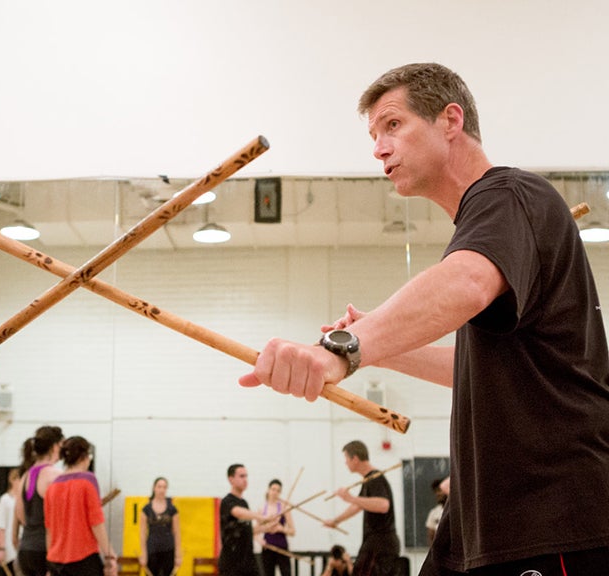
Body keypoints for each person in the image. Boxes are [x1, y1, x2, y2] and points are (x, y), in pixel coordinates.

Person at [239, 61, 609, 575]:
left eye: (393, 125)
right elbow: (474, 366)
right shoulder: (497, 218)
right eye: (373, 135)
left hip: (552, 520)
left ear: (450, 120)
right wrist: (386, 347)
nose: (378, 148)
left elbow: (465, 282)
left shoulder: (509, 194)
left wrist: (344, 349)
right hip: (485, 527)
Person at [322, 441, 399, 576]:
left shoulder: (375, 478)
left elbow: (383, 505)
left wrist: (349, 497)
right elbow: (357, 506)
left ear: (355, 459)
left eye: (346, 458)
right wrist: (336, 521)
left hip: (381, 542)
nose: (345, 463)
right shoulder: (368, 480)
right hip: (375, 542)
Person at [44, 436, 117, 576]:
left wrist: (50, 561)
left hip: (56, 561)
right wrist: (109, 553)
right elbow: (96, 523)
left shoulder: (52, 487)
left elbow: (49, 530)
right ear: (84, 457)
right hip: (83, 559)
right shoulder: (88, 481)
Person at [16, 425, 65, 576]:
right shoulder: (55, 475)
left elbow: (21, 515)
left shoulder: (25, 476)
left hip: (26, 548)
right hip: (46, 550)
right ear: (55, 447)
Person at [218, 464, 270, 576]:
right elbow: (238, 513)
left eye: (246, 476)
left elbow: (246, 529)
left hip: (248, 562)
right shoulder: (227, 501)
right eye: (241, 476)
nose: (245, 480)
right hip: (232, 563)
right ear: (231, 479)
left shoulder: (244, 503)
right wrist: (259, 516)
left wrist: (265, 528)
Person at [139, 477, 182, 576]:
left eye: (164, 487)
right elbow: (142, 533)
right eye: (159, 487)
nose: (162, 490)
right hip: (152, 551)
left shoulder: (172, 510)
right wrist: (143, 554)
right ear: (154, 488)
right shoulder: (146, 510)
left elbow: (177, 533)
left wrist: (178, 555)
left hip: (168, 550)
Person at [258, 479, 295, 576]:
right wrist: (259, 540)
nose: (275, 492)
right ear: (268, 490)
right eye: (273, 489)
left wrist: (281, 529)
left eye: (278, 490)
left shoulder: (284, 508)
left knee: (286, 573)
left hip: (282, 547)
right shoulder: (262, 509)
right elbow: (255, 531)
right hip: (267, 548)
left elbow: (293, 531)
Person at [0, 468, 22, 576]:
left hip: (22, 547)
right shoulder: (5, 500)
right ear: (12, 480)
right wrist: (1, 548)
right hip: (10, 548)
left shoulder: (23, 499)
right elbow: (0, 526)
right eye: (19, 479)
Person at [424, 478, 447, 546]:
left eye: (439, 491)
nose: (437, 494)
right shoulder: (433, 513)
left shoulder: (456, 510)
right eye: (435, 491)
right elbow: (430, 536)